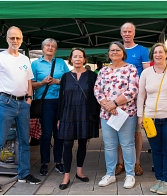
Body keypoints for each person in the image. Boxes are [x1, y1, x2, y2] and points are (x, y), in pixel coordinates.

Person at [0, 26, 41, 193]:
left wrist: (30, 98)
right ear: (7, 39)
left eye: (18, 38)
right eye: (12, 38)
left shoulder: (25, 59)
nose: (15, 41)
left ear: (22, 39)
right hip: (5, 103)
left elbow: (29, 81)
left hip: (23, 104)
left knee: (25, 141)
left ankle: (24, 174)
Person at [94, 41, 139, 189]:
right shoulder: (103, 71)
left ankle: (130, 175)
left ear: (123, 53)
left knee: (127, 144)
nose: (114, 52)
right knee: (109, 145)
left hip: (126, 113)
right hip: (107, 114)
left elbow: (132, 90)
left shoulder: (130, 69)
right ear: (109, 53)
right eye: (112, 50)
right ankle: (110, 174)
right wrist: (107, 104)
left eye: (117, 50)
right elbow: (97, 90)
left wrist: (114, 103)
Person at [137, 43, 167, 195]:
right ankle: (159, 179)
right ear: (152, 55)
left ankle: (166, 180)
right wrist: (140, 115)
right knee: (155, 150)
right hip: (150, 118)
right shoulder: (146, 72)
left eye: (161, 52)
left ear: (166, 54)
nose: (158, 55)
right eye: (155, 53)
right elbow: (141, 95)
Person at [57, 48, 100, 190]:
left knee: (83, 143)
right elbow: (61, 98)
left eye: (80, 57)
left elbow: (96, 96)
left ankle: (80, 172)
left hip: (85, 113)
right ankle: (67, 175)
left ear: (84, 59)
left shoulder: (92, 76)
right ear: (71, 59)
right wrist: (59, 118)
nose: (77, 59)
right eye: (75, 57)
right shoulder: (65, 76)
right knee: (67, 144)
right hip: (68, 112)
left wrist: (96, 115)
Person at [115, 22, 150, 176]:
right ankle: (120, 163)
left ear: (134, 33)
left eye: (130, 31)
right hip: (119, 99)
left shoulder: (142, 50)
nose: (127, 34)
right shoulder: (117, 51)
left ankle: (137, 163)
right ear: (121, 34)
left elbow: (148, 75)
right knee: (119, 130)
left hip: (136, 99)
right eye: (125, 32)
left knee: (136, 133)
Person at [31, 38, 70, 176]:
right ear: (42, 48)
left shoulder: (60, 62)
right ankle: (44, 162)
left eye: (53, 46)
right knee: (46, 134)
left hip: (60, 101)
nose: (50, 48)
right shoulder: (35, 64)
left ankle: (58, 161)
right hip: (45, 102)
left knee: (59, 133)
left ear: (56, 49)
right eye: (47, 45)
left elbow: (68, 80)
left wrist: (57, 81)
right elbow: (30, 84)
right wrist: (42, 83)